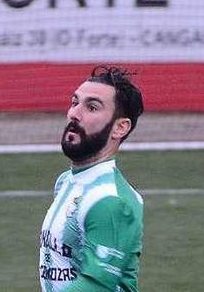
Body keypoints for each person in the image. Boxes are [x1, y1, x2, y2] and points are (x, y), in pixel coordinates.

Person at [39, 65, 145, 291]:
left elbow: (97, 286)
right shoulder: (67, 181)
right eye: (75, 102)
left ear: (120, 128)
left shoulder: (111, 201)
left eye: (92, 107)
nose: (74, 113)